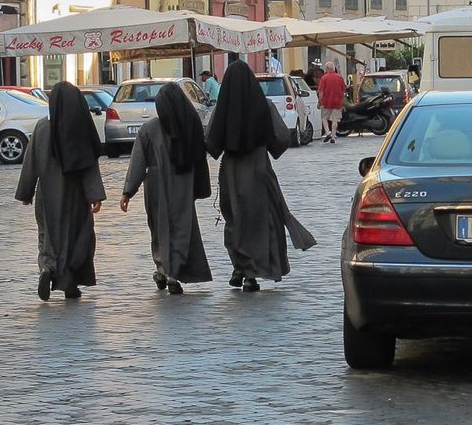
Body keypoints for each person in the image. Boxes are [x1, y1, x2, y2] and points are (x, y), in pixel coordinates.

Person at [206, 61, 316, 291]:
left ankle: (240, 266)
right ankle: (251, 272)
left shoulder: (222, 107)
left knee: (235, 219)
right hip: (258, 168)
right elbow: (282, 138)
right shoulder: (263, 105)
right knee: (259, 220)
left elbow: (210, 141)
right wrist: (267, 147)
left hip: (231, 172)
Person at [16, 81, 107, 301]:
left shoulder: (41, 128)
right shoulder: (81, 128)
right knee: (78, 236)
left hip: (47, 194)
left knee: (47, 234)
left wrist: (26, 192)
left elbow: (31, 163)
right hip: (75, 195)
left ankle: (47, 267)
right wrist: (95, 194)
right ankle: (70, 283)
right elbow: (90, 165)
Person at [120, 83, 213, 295]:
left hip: (155, 186)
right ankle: (173, 270)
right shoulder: (191, 126)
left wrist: (128, 191)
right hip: (184, 183)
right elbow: (200, 160)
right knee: (181, 227)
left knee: (159, 228)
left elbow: (137, 161)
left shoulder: (149, 129)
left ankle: (164, 268)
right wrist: (200, 187)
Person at [316, 61, 346, 144]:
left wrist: (319, 101)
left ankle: (328, 132)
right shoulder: (339, 77)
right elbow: (344, 89)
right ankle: (333, 136)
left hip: (326, 101)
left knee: (324, 117)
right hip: (337, 102)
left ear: (327, 68)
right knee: (335, 119)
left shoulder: (324, 78)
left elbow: (321, 91)